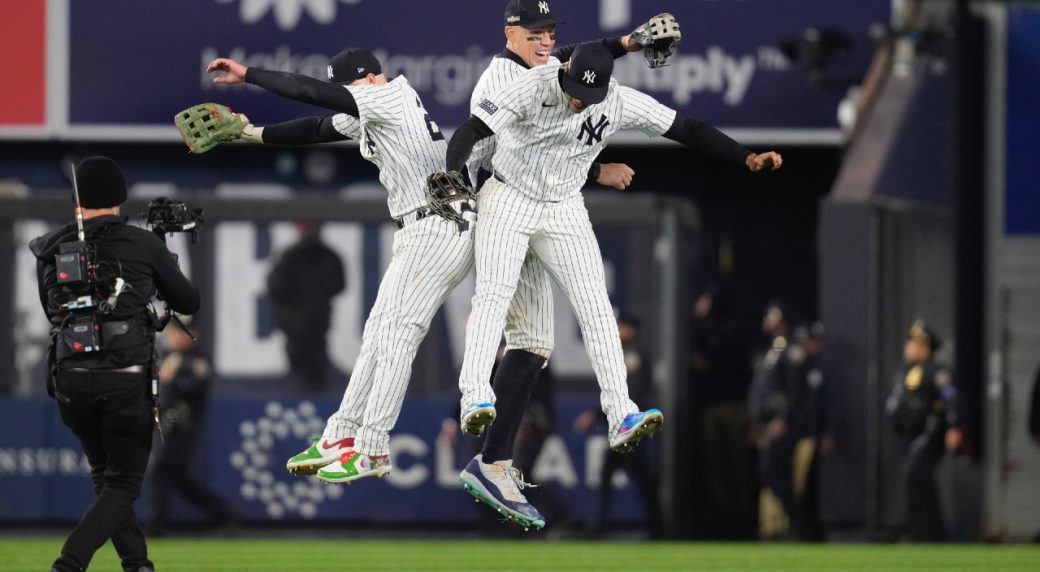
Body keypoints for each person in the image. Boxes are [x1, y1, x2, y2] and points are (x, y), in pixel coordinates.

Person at [440, 40, 782, 525]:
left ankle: (621, 413)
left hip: (562, 207)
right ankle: (476, 393)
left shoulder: (617, 99)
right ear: (565, 71)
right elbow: (472, 131)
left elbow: (685, 128)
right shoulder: (532, 86)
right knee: (493, 295)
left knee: (597, 307)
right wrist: (454, 176)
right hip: (508, 197)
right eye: (576, 88)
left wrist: (743, 157)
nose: (580, 99)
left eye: (590, 93)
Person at [455, 0, 683, 531]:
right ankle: (466, 403)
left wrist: (626, 44)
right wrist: (597, 167)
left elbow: (580, 67)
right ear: (510, 33)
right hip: (484, 199)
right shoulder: (505, 79)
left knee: (535, 343)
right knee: (449, 307)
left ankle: (493, 461)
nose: (545, 40)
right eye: (534, 32)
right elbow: (503, 145)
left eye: (550, 30)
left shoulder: (549, 72)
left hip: (534, 199)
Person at [29, 156, 200, 572]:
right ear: (120, 199)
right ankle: (69, 563)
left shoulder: (50, 249)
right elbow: (188, 302)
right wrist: (163, 263)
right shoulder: (142, 244)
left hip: (70, 377)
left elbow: (53, 313)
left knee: (106, 476)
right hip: (125, 379)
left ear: (77, 202)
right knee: (123, 482)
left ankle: (137, 564)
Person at [574, 312, 662, 540]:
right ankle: (655, 527)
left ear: (630, 328)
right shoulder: (621, 351)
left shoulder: (634, 353)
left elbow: (633, 393)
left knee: (640, 479)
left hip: (632, 427)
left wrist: (600, 415)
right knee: (630, 478)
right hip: (621, 427)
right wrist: (595, 415)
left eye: (622, 326)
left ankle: (656, 527)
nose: (619, 329)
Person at [149, 324, 238, 536]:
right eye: (172, 333)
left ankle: (156, 527)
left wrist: (172, 380)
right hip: (163, 424)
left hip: (182, 426)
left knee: (161, 471)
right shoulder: (166, 357)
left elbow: (195, 390)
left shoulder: (196, 361)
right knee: (177, 478)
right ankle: (223, 512)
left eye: (179, 333)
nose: (174, 337)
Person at [885, 320, 962, 542]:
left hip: (930, 434)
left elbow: (951, 399)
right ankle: (920, 532)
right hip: (910, 436)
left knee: (916, 476)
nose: (908, 347)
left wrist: (954, 426)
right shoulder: (907, 371)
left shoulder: (936, 371)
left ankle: (933, 534)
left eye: (914, 344)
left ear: (925, 348)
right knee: (914, 480)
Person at [756, 321, 831, 540]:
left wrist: (784, 419)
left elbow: (814, 400)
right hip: (783, 425)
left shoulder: (814, 365)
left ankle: (797, 526)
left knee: (793, 480)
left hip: (801, 430)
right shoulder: (782, 358)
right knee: (775, 476)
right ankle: (785, 526)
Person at [266, 222, 345, 393]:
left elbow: (338, 284)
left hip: (314, 324)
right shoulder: (290, 256)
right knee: (300, 366)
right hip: (297, 324)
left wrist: (315, 301)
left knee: (314, 367)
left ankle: (313, 399)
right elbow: (275, 286)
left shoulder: (325, 256)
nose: (305, 230)